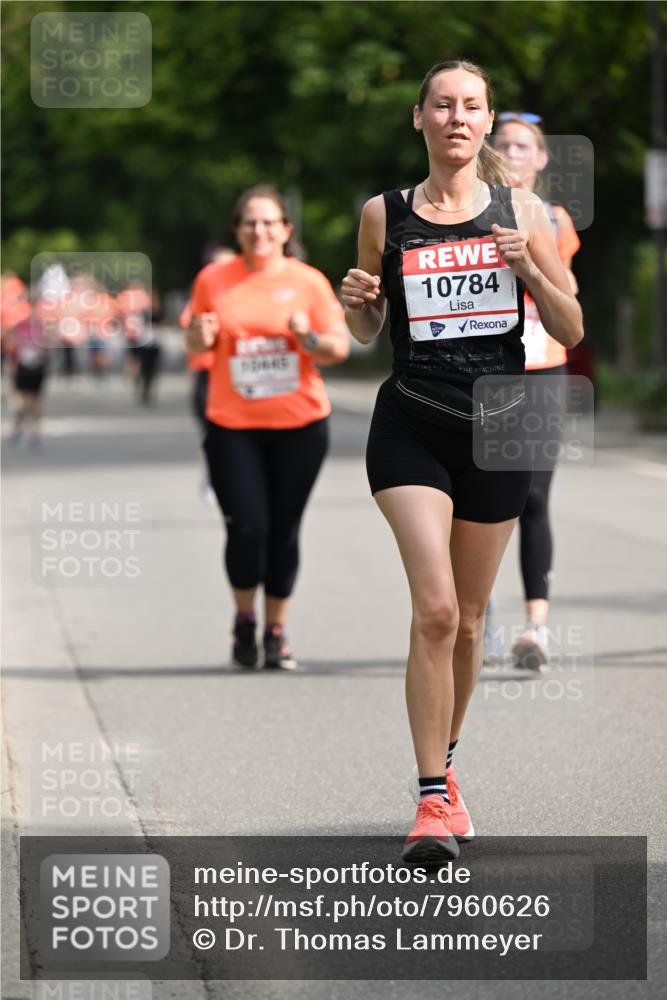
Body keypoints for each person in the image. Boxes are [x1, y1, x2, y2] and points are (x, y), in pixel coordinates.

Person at [342, 60, 583, 864]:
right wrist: (362, 309)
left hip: (503, 421)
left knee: (473, 619)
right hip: (412, 421)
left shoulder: (526, 211)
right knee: (437, 609)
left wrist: (526, 269)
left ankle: (444, 766)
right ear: (418, 118)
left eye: (470, 106)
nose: (456, 118)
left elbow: (572, 326)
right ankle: (430, 798)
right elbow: (370, 333)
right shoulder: (385, 213)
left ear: (485, 124)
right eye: (441, 105)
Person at [187, 185, 350, 670]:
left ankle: (276, 630)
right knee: (247, 528)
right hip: (232, 424)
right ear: (237, 231)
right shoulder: (213, 279)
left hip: (300, 424)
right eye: (250, 223)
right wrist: (198, 335)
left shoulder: (309, 282)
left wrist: (308, 337)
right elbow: (197, 346)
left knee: (283, 530)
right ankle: (244, 620)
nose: (259, 231)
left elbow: (337, 350)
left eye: (269, 223)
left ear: (286, 230)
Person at [493, 113, 582, 670]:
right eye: (502, 145)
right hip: (483, 372)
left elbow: (569, 292)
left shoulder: (554, 218)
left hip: (543, 365)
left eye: (523, 147)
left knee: (534, 497)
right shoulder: (467, 213)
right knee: (477, 499)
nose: (513, 154)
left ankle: (535, 627)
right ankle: (475, 620)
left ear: (541, 159)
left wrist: (534, 265)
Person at [179, 248, 236, 501]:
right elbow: (187, 331)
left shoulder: (246, 295)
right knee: (211, 433)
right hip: (206, 374)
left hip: (236, 377)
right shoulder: (201, 294)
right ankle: (213, 476)